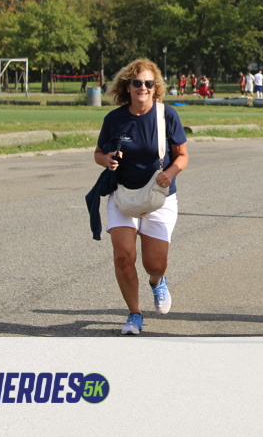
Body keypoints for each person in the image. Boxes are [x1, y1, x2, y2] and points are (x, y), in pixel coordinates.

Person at [94, 59, 189, 335]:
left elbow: (182, 155)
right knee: (123, 256)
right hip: (123, 194)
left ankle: (157, 280)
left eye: (148, 83)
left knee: (154, 263)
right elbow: (98, 153)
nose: (143, 88)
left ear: (155, 87)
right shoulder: (114, 119)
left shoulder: (167, 115)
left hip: (159, 195)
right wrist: (106, 160)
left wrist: (170, 172)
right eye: (137, 83)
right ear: (128, 86)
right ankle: (134, 314)